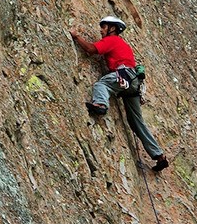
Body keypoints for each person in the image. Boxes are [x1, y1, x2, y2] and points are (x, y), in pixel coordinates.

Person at [70, 16, 168, 171]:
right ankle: (159, 155)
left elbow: (91, 49)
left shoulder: (113, 40)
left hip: (123, 75)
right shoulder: (123, 45)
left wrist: (76, 37)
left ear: (112, 29)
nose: (101, 30)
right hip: (133, 82)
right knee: (136, 121)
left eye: (104, 27)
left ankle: (101, 104)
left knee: (101, 84)